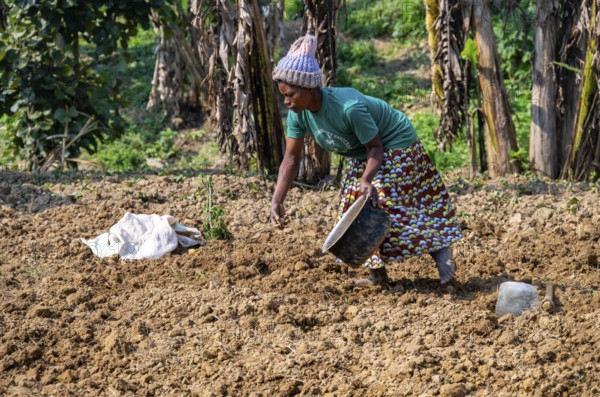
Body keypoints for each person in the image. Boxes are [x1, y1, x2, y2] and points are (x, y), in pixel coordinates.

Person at [270, 34, 462, 287]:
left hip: (394, 143)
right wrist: (277, 199)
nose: (286, 101)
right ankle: (377, 276)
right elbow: (290, 160)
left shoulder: (348, 107)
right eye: (283, 95)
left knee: (387, 200)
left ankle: (441, 252)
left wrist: (367, 179)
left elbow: (376, 147)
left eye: (291, 94)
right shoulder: (299, 113)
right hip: (363, 152)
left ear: (309, 87)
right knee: (352, 209)